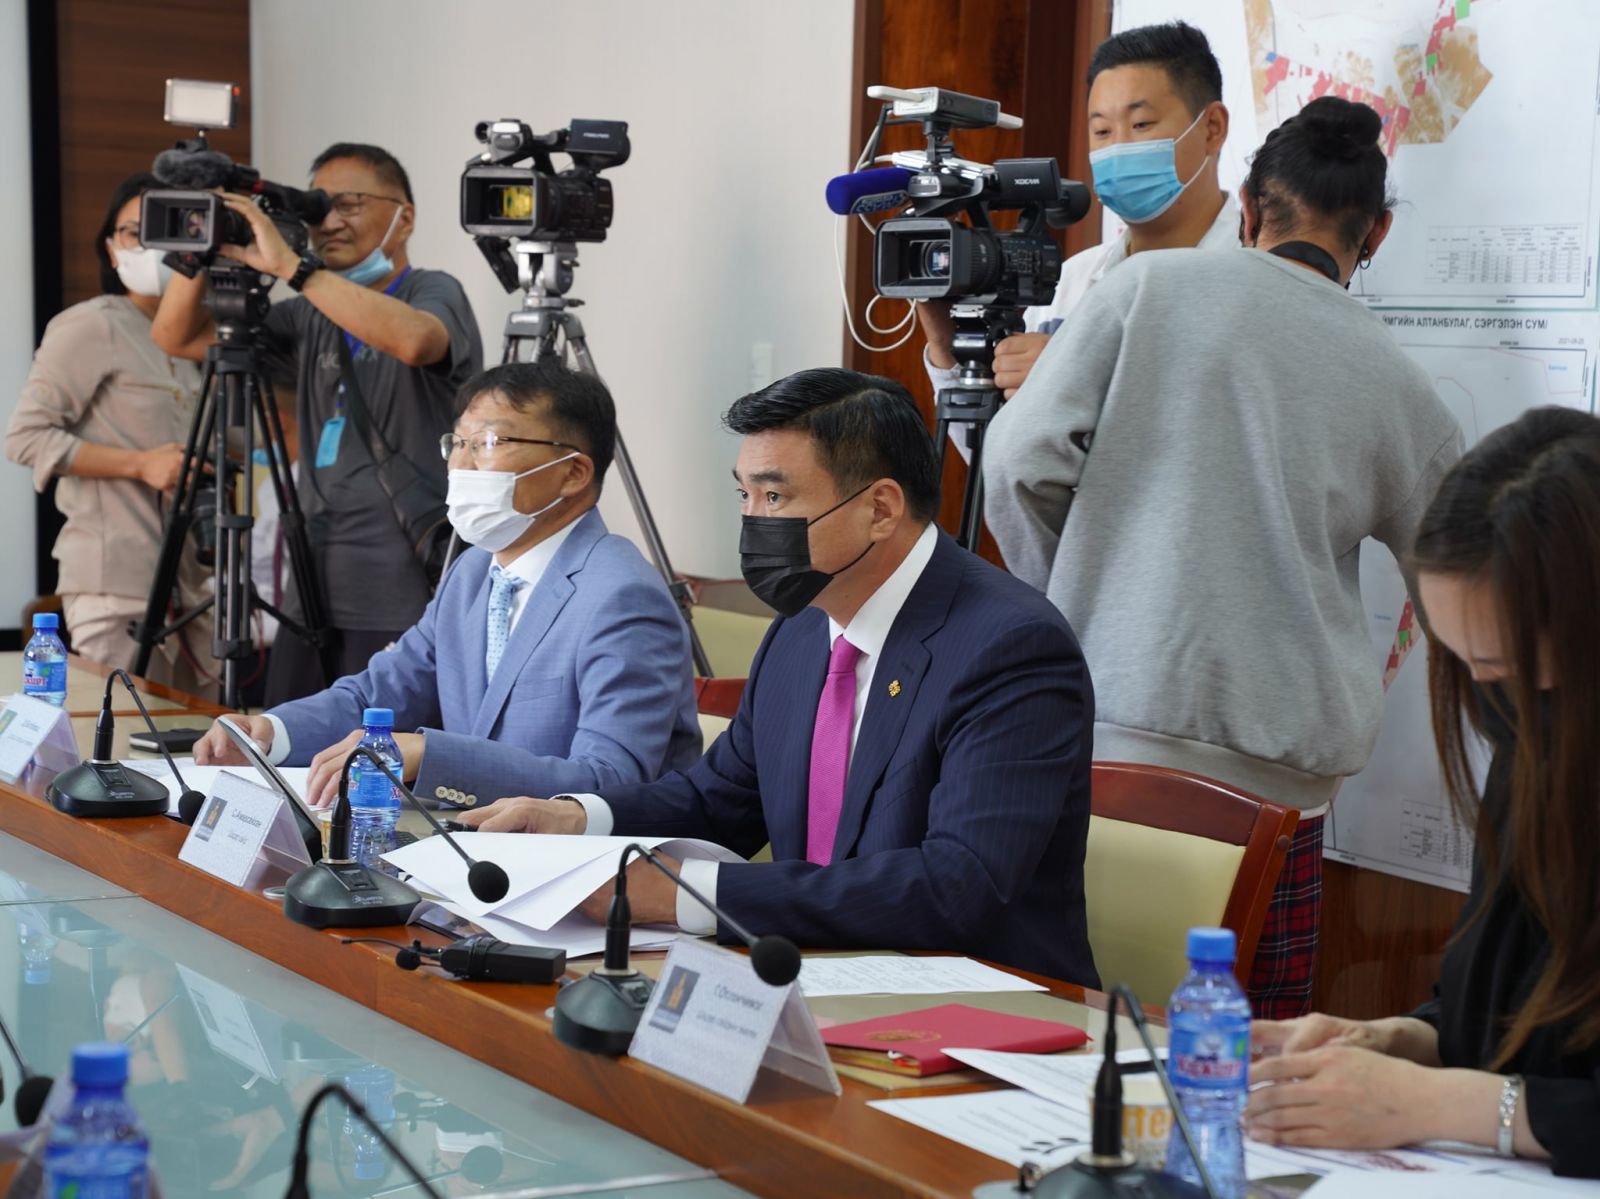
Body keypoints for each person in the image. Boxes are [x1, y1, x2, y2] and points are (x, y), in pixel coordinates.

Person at [983, 96, 1464, 1018]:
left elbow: (1015, 462)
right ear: (1377, 233)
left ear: (1247, 207)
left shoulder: (1146, 290)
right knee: (1241, 1065)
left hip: (1104, 750)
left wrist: (1075, 603)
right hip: (1277, 791)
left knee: (1068, 1035)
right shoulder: (1401, 384)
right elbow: (1455, 583)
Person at [459, 367, 1098, 987]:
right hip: (815, 972)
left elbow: (958, 884)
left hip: (985, 998)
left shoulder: (1010, 646)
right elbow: (718, 802)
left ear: (880, 509)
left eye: (775, 497)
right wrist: (576, 817)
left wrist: (681, 892)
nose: (753, 521)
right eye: (745, 495)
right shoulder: (802, 628)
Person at [1248, 407, 1600, 1178]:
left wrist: (1437, 1103)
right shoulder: (1535, 734)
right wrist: (1395, 1041)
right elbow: (1509, 1011)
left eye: (1504, 665)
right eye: (1465, 661)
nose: (1486, 692)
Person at [194, 360, 701, 810]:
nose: (460, 465)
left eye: (489, 444)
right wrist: (271, 731)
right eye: (457, 443)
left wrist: (431, 754)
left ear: (572, 473)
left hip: (590, 868)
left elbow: (610, 781)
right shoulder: (473, 571)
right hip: (475, 844)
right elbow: (383, 689)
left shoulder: (622, 596)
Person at [152, 142, 483, 705]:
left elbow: (415, 340)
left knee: (384, 750)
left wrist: (292, 267)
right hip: (312, 582)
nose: (328, 222)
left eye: (349, 204)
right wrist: (207, 237)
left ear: (404, 218)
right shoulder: (308, 314)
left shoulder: (432, 289)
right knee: (293, 741)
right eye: (317, 208)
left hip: (404, 583)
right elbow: (176, 336)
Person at [918, 20, 1237, 404]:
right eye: (1102, 131)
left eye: (1141, 124)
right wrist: (948, 349)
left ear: (1212, 128)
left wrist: (1076, 374)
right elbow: (994, 444)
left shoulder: (1263, 277)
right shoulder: (1069, 285)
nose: (1117, 147)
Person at [6, 173, 213, 691]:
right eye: (134, 232)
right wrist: (140, 464)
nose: (150, 245)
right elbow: (24, 437)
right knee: (126, 732)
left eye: (166, 230)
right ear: (110, 247)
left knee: (204, 736)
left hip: (195, 586)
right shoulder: (93, 323)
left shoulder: (205, 337)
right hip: (115, 581)